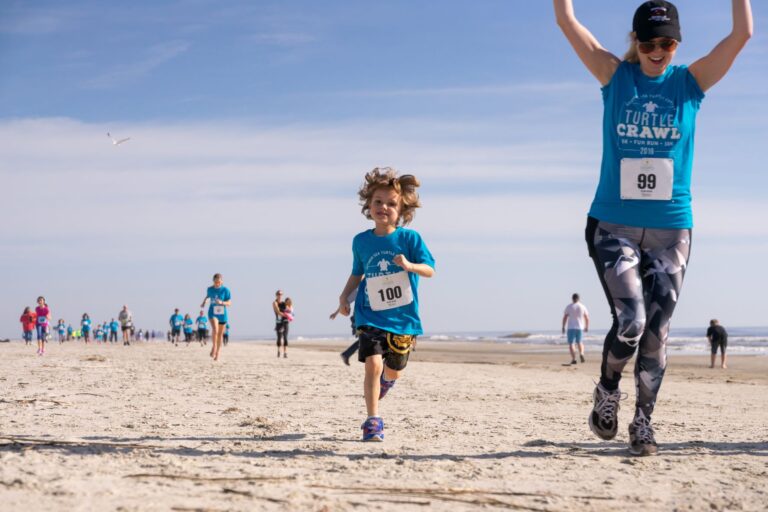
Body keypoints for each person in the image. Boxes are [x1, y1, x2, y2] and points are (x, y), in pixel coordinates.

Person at [554, 0, 752, 456]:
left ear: (677, 43)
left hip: (671, 229)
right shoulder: (615, 77)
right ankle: (607, 389)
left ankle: (643, 423)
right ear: (636, 42)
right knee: (631, 323)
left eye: (667, 42)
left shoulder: (690, 83)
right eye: (648, 42)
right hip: (614, 226)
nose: (657, 50)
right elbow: (567, 20)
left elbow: (741, 35)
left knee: (658, 333)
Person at [336, 167, 435, 441]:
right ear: (368, 205)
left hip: (403, 318)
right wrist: (344, 297)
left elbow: (430, 270)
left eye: (392, 203)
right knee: (373, 365)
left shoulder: (409, 239)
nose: (384, 207)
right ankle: (373, 421)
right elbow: (357, 273)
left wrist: (409, 265)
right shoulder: (361, 241)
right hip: (370, 314)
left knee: (393, 369)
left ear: (402, 209)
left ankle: (388, 382)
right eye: (378, 201)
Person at [201, 273, 231, 361]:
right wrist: (204, 302)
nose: (217, 283)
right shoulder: (210, 289)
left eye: (219, 282)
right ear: (213, 281)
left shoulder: (226, 290)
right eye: (215, 282)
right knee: (215, 329)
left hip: (222, 314)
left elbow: (229, 303)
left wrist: (222, 302)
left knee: (220, 334)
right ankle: (214, 347)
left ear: (222, 281)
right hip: (212, 312)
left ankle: (217, 353)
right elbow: (208, 297)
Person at [562, 293, 590, 365]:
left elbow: (565, 317)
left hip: (571, 327)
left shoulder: (569, 306)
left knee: (571, 343)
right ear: (579, 298)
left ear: (572, 298)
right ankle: (582, 354)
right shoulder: (582, 306)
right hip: (580, 327)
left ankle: (574, 359)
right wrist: (587, 326)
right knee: (580, 342)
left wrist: (563, 326)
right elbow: (587, 318)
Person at [272, 290, 289, 358]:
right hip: (279, 322)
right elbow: (278, 311)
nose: (280, 295)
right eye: (278, 294)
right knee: (279, 338)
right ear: (276, 295)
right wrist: (286, 315)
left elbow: (289, 310)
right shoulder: (274, 303)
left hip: (285, 322)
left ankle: (285, 353)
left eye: (281, 294)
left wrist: (290, 315)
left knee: (285, 337)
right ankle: (278, 351)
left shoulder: (284, 303)